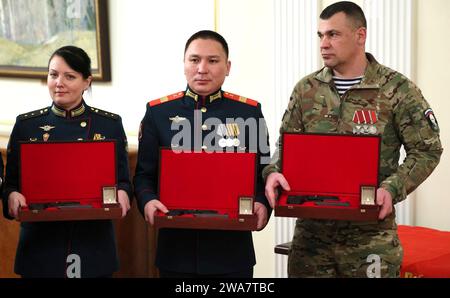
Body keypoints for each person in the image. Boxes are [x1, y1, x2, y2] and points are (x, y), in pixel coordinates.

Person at [263, 1, 443, 278]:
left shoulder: (397, 89)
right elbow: (284, 146)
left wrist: (391, 188)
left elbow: (427, 150)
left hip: (370, 239)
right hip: (312, 241)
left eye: (333, 34)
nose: (324, 43)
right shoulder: (307, 90)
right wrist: (273, 171)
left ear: (360, 35)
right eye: (320, 35)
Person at [134, 30, 271, 278]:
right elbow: (144, 175)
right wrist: (147, 200)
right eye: (194, 60)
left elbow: (262, 172)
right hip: (176, 250)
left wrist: (262, 202)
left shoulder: (249, 113)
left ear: (227, 67)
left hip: (231, 253)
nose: (202, 69)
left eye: (213, 61)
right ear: (184, 64)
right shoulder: (158, 113)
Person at [1, 46, 132, 278]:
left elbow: (122, 180)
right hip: (41, 245)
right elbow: (10, 183)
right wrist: (11, 196)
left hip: (92, 243)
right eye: (53, 75)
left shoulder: (109, 125)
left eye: (69, 76)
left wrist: (122, 193)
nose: (59, 82)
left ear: (87, 82)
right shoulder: (26, 125)